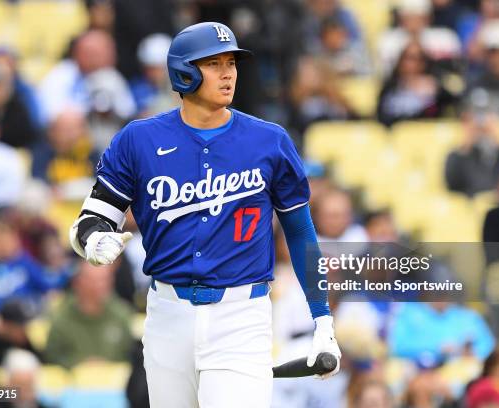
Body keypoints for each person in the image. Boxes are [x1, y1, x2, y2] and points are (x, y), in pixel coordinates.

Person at [68, 22, 341, 407]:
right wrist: (95, 240)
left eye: (231, 62)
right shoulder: (139, 139)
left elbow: (300, 233)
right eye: (213, 63)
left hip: (241, 315)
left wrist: (322, 319)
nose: (228, 72)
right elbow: (90, 219)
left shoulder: (270, 140)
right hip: (166, 314)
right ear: (184, 71)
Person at [43, 260, 134, 369]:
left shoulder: (122, 315)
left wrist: (107, 366)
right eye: (95, 281)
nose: (102, 285)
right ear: (78, 282)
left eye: (105, 279)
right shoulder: (60, 317)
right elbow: (51, 358)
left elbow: (130, 355)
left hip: (116, 383)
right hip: (72, 383)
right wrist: (79, 365)